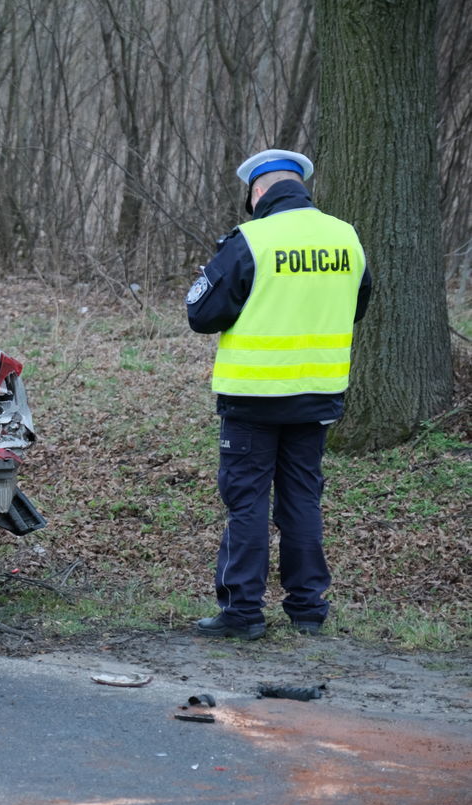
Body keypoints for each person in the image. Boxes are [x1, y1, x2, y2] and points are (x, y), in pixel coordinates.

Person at [186, 148, 372, 640]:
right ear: (301, 187)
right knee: (302, 499)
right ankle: (308, 608)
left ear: (259, 192)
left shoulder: (252, 240)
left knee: (247, 503)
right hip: (317, 395)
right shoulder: (346, 238)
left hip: (254, 398)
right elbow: (356, 307)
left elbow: (201, 315)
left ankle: (243, 613)